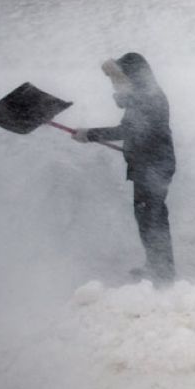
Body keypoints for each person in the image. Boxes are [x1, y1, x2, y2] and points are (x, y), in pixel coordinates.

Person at [73, 52, 176, 285]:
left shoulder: (149, 98)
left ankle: (164, 273)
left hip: (155, 166)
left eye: (121, 77)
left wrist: (89, 134)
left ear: (135, 76)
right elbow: (132, 128)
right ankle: (157, 267)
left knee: (152, 218)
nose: (116, 83)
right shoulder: (143, 96)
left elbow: (128, 131)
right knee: (148, 217)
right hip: (148, 164)